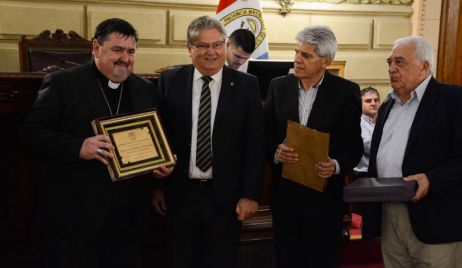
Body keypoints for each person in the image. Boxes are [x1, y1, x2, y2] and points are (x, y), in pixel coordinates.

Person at [22, 18, 173, 268]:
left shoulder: (146, 89)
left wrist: (162, 166)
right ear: (96, 48)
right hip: (76, 214)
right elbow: (31, 133)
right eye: (117, 50)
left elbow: (158, 141)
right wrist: (78, 147)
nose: (125, 58)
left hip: (128, 216)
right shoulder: (62, 83)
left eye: (131, 51)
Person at [152, 15, 265, 268]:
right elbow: (160, 135)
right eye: (203, 46)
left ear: (226, 46)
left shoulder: (247, 85)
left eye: (217, 44)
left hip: (226, 198)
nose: (211, 52)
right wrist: (156, 186)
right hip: (180, 195)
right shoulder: (170, 81)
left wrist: (250, 194)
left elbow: (255, 144)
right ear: (190, 49)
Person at [264, 25, 363, 268]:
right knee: (287, 259)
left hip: (325, 200)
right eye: (297, 52)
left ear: (325, 62)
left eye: (306, 55)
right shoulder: (278, 86)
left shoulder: (347, 91)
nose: (297, 59)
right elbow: (264, 136)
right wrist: (276, 152)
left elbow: (354, 145)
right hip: (284, 197)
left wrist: (336, 165)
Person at [362, 36, 462, 267]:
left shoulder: (452, 100)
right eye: (389, 62)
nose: (391, 68)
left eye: (400, 62)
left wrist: (431, 179)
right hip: (390, 214)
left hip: (435, 220)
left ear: (424, 66)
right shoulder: (387, 105)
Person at [353, 87, 381, 175]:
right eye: (368, 101)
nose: (373, 103)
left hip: (382, 171)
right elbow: (370, 146)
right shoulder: (356, 122)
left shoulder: (384, 121)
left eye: (376, 100)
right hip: (365, 174)